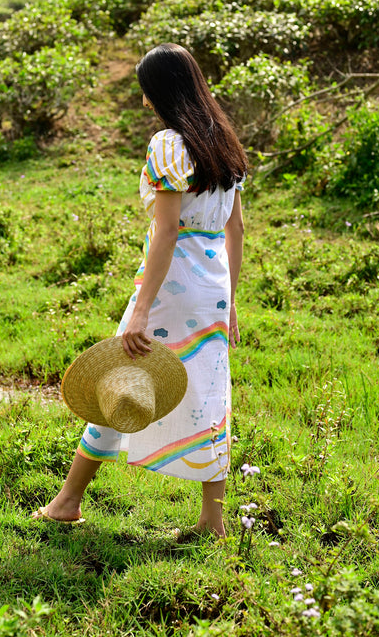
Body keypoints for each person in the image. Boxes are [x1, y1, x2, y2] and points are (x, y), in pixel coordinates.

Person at [34, 42, 247, 537]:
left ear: (159, 92)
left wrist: (141, 309)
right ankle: (211, 522)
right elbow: (235, 229)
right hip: (212, 287)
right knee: (212, 395)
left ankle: (67, 501)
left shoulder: (169, 144)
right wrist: (231, 298)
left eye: (146, 92)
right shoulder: (224, 142)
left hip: (172, 287)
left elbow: (168, 233)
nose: (145, 101)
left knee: (119, 381)